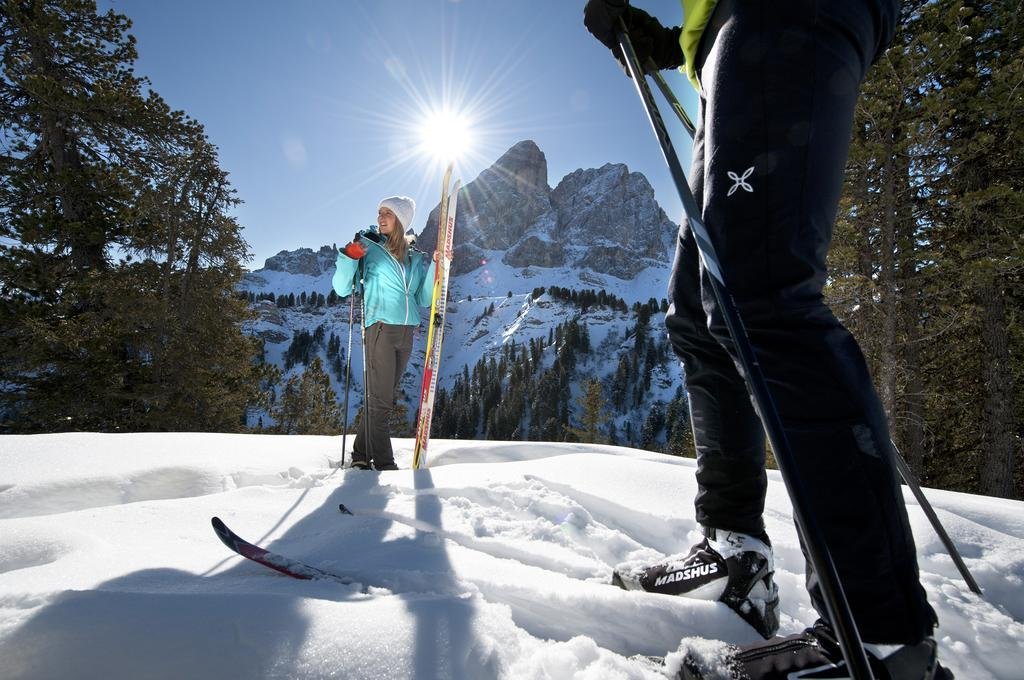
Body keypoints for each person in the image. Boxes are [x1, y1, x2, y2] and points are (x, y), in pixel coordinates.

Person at [584, 1, 950, 678]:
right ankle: (735, 554)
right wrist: (671, 42)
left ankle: (881, 635)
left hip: (782, 18)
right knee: (700, 310)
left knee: (763, 300)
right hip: (731, 40)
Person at [333, 196, 436, 471]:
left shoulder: (415, 257)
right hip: (379, 327)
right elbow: (343, 288)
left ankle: (360, 455)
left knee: (382, 399)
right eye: (379, 212)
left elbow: (423, 298)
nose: (381, 217)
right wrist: (348, 257)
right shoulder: (368, 246)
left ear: (401, 220)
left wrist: (437, 265)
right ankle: (385, 464)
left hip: (406, 332)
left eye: (387, 213)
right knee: (381, 403)